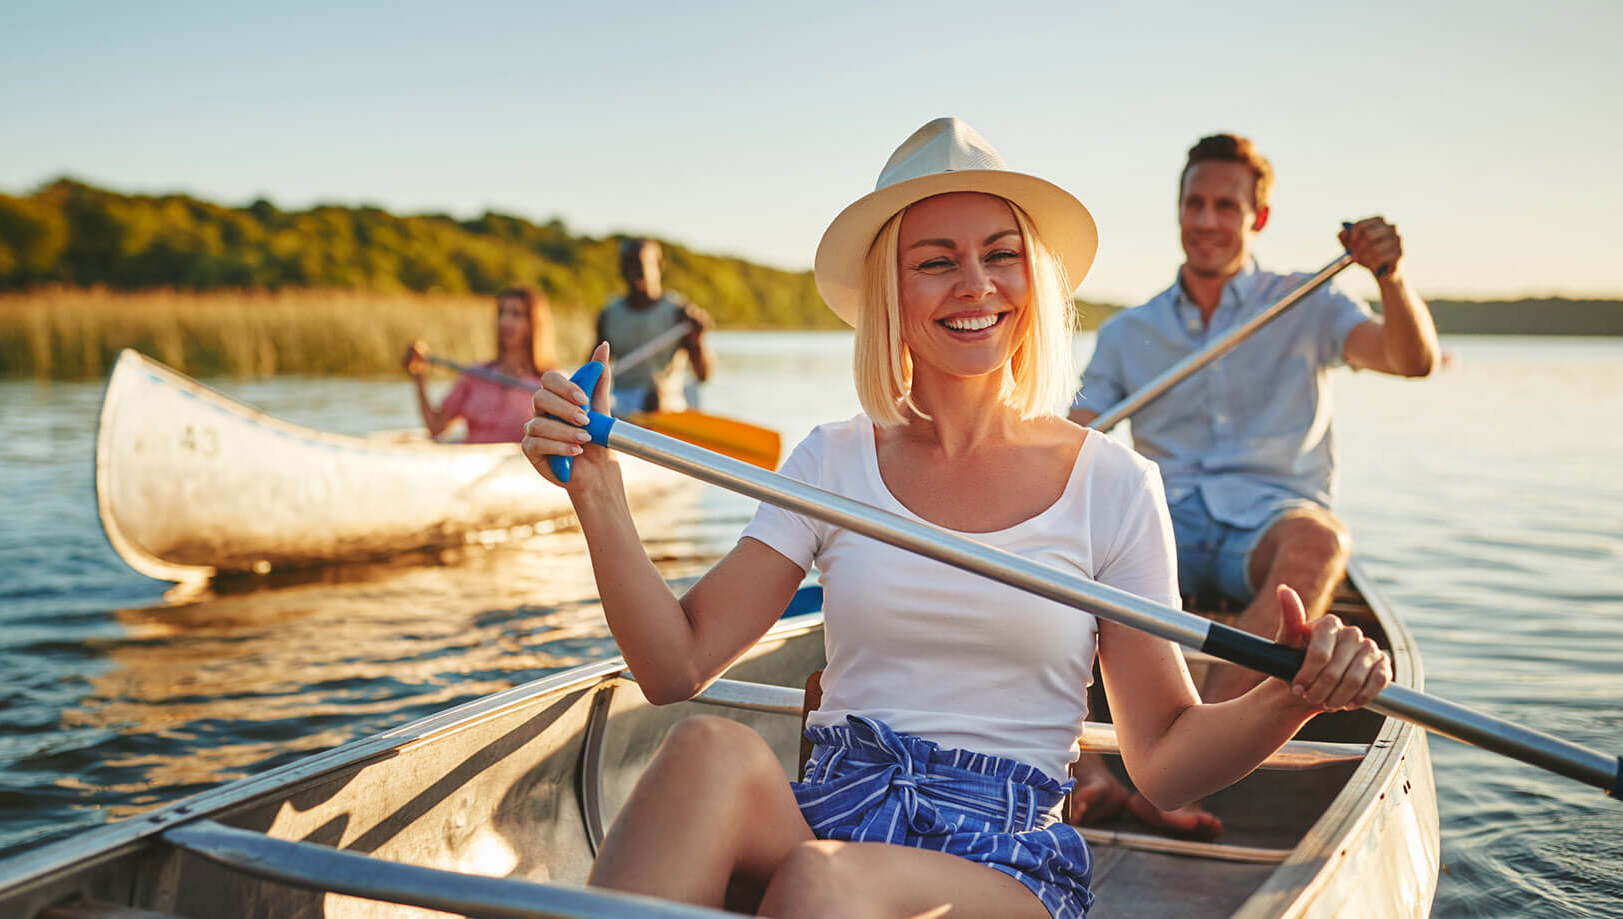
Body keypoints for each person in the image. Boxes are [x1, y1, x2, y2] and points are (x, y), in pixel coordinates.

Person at [522, 118, 1392, 919]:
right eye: (936, 260)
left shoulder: (1115, 483)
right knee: (707, 748)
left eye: (999, 254)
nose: (974, 285)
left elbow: (1162, 757)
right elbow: (675, 665)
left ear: (1033, 276)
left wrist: (1290, 700)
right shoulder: (832, 460)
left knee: (825, 881)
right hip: (837, 806)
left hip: (1002, 858)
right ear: (891, 290)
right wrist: (597, 491)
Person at [1065, 134, 1438, 834]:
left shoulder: (1307, 303)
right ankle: (1087, 771)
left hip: (1267, 524)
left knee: (1322, 540)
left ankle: (1183, 759)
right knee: (1066, 533)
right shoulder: (1129, 331)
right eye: (1195, 203)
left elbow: (1409, 359)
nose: (1207, 220)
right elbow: (1075, 438)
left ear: (1256, 218)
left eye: (1226, 206)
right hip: (1164, 520)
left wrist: (1389, 276)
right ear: (1179, 211)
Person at [403, 286, 556, 443]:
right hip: (472, 463)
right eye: (501, 313)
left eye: (516, 314)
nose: (504, 321)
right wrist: (419, 377)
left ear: (534, 323)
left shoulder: (552, 382)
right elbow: (436, 426)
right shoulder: (474, 374)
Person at [596, 237, 714, 415]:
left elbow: (703, 375)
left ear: (658, 266)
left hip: (667, 403)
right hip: (621, 402)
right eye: (626, 264)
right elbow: (593, 369)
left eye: (639, 264)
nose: (632, 271)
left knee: (654, 398)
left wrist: (698, 340)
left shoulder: (679, 312)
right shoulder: (609, 314)